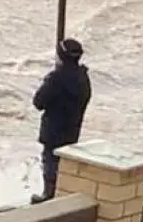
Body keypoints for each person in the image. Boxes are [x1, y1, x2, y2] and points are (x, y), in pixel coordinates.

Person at [30, 38, 91, 204]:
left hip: (53, 130)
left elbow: (38, 102)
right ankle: (61, 193)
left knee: (50, 161)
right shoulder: (83, 77)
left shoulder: (56, 78)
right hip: (73, 129)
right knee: (64, 163)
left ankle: (48, 194)